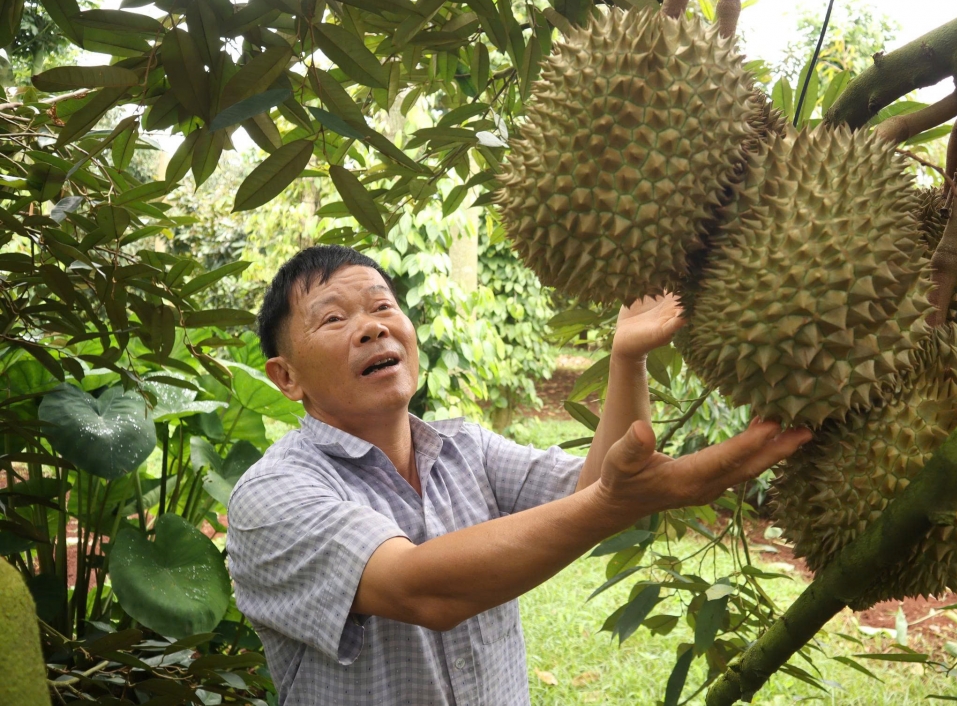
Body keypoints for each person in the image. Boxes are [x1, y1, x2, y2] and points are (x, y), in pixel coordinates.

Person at [225, 245, 811, 705]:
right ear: (286, 377)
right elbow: (421, 588)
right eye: (334, 318)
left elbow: (590, 488)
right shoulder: (273, 495)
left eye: (383, 307)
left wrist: (626, 359)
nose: (373, 327)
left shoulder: (465, 449)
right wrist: (615, 503)